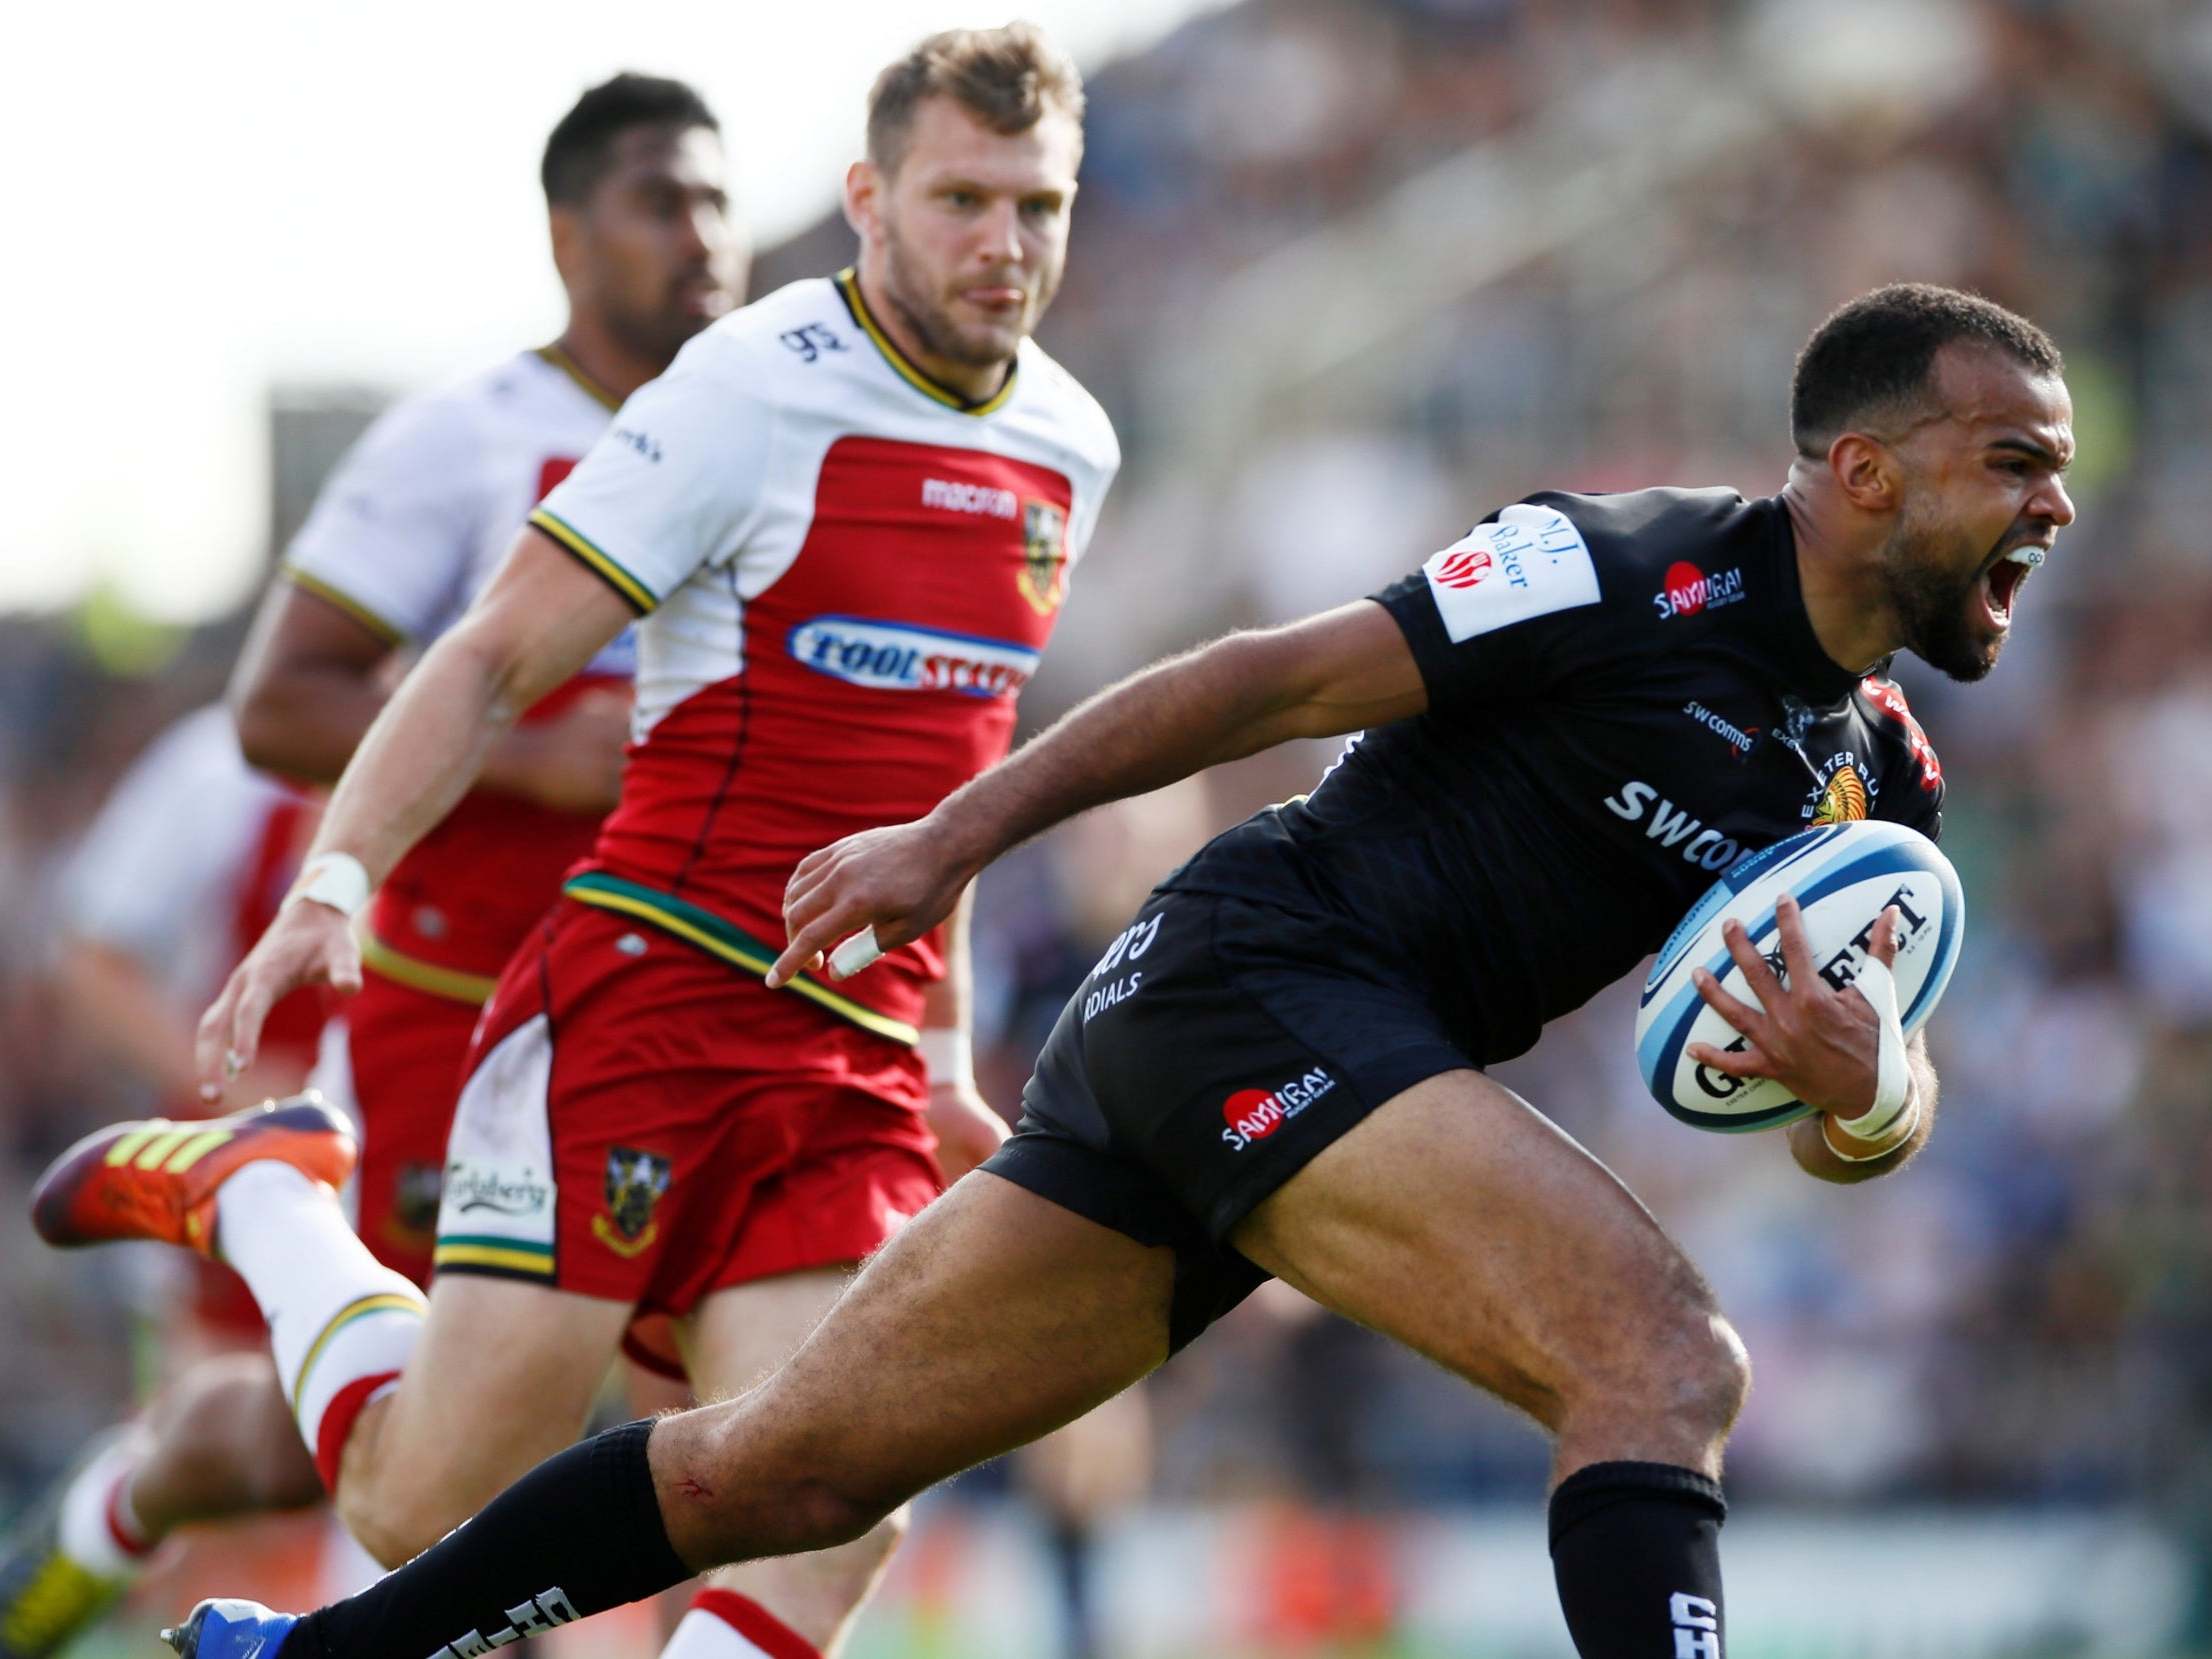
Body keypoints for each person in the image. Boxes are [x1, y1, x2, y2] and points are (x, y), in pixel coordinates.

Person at [84, 281, 2076, 1659]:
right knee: (1660, 1355)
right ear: (1862, 470)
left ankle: (333, 1645)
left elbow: (1868, 1115)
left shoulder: (1868, 779)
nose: (2049, 507)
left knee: (781, 1466)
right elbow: (1267, 678)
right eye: (2010, 460)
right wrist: (957, 835)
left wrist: (1856, 1087)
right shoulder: (1629, 562)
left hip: (1263, 1062)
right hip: (1255, 977)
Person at [34, 24, 1117, 1659]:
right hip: (645, 1004)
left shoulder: (1069, 443)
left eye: (1037, 205)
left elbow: (939, 782)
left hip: (850, 1061)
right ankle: (264, 1196)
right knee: (420, 1510)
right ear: (866, 199)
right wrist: (333, 882)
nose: (1004, 243)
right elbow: (477, 657)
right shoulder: (748, 389)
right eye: (961, 198)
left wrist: (950, 1054)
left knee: (834, 1501)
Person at [0, 71, 744, 1659]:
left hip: (685, 1026)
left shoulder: (770, 426)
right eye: (661, 201)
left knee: (740, 1427)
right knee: (373, 1454)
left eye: (720, 203)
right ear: (568, 236)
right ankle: (119, 1508)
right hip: (455, 1034)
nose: (704, 238)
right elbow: (277, 704)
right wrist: (541, 754)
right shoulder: (463, 443)